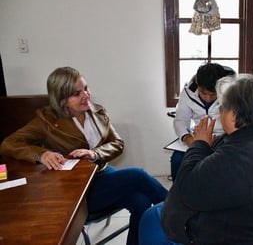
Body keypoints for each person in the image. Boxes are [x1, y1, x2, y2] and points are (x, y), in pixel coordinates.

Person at [0, 66, 168, 245]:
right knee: (137, 175)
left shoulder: (97, 112)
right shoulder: (46, 121)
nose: (86, 95)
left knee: (140, 202)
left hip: (102, 174)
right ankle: (180, 210)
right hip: (77, 190)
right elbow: (8, 144)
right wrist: (41, 154)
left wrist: (95, 153)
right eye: (77, 93)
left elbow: (118, 144)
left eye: (86, 88)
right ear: (62, 98)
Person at [139, 75, 253, 245]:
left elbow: (185, 188)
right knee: (154, 212)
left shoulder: (238, 157)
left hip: (220, 234)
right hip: (237, 218)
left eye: (221, 107)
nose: (219, 112)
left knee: (150, 222)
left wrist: (199, 143)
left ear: (233, 115)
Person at [170, 62, 235, 180]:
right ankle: (179, 195)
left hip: (225, 138)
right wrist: (189, 140)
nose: (208, 98)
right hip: (198, 137)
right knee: (177, 160)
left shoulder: (232, 92)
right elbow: (180, 120)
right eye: (203, 93)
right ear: (197, 83)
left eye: (213, 94)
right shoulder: (187, 92)